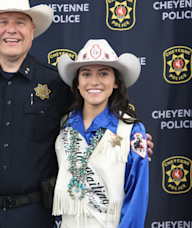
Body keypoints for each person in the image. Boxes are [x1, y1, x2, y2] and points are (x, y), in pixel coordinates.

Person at [0, 0, 153, 227]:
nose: (11, 30)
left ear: (32, 30)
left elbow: (92, 123)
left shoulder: (56, 84)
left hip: (35, 215)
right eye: (3, 21)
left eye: (20, 22)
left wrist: (131, 143)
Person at [52, 39, 149, 228]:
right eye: (86, 74)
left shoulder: (131, 130)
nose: (94, 82)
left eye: (103, 74)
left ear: (115, 83)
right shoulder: (64, 125)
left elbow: (137, 196)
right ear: (77, 84)